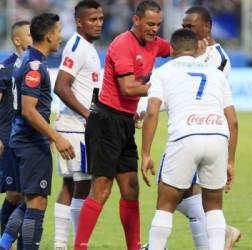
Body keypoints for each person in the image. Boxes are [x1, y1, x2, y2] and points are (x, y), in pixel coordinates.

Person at [74, 1, 170, 249]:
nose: (154, 29)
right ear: (136, 20)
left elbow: (179, 50)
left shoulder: (156, 44)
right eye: (150, 24)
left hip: (125, 122)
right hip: (105, 121)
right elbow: (128, 89)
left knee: (131, 189)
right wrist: (158, 88)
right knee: (102, 188)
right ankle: (79, 246)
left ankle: (133, 247)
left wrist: (201, 46)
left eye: (158, 25)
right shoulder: (121, 44)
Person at [141, 28, 238, 250]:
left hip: (185, 136)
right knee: (214, 206)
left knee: (165, 204)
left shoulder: (163, 71)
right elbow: (233, 120)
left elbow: (153, 112)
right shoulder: (215, 73)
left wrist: (146, 153)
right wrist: (230, 161)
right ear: (197, 49)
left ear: (172, 49)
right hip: (217, 136)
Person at [0, 13, 75, 250]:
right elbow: (29, 110)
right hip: (31, 142)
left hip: (22, 140)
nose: (61, 37)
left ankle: (3, 244)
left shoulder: (24, 60)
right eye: (59, 32)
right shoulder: (35, 66)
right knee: (37, 203)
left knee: (28, 200)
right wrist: (56, 137)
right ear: (50, 35)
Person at [180, 6, 240, 250]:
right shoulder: (193, 53)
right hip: (191, 130)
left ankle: (222, 233)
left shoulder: (217, 58)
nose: (184, 30)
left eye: (189, 26)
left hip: (205, 131)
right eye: (183, 26)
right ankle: (218, 236)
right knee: (187, 193)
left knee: (181, 193)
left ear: (206, 27)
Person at [53, 1, 103, 248]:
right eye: (92, 19)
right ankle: (74, 244)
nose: (98, 23)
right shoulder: (76, 46)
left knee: (72, 184)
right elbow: (60, 86)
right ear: (79, 22)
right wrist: (88, 114)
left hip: (79, 125)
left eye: (100, 19)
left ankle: (64, 244)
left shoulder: (87, 47)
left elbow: (89, 89)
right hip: (76, 126)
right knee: (82, 185)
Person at [0, 20, 32, 249]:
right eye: (31, 34)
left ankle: (15, 241)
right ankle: (6, 240)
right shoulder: (6, 68)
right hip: (8, 139)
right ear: (18, 40)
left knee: (25, 194)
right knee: (15, 194)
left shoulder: (34, 66)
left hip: (28, 141)